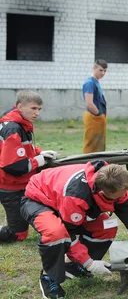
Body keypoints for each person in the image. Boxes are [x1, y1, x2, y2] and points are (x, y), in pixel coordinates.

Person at [21, 161, 128, 299]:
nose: (125, 197)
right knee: (57, 233)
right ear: (105, 195)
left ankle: (73, 266)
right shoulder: (77, 196)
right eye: (121, 195)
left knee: (107, 227)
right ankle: (49, 278)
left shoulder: (115, 186)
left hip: (63, 201)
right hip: (38, 200)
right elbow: (69, 234)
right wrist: (90, 264)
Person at [0, 91, 58, 243]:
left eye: (39, 109)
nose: (37, 113)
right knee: (17, 235)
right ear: (20, 107)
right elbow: (13, 165)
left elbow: (24, 149)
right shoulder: (13, 128)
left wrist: (39, 152)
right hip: (11, 188)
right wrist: (39, 161)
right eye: (33, 108)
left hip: (23, 185)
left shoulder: (21, 123)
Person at [82, 60, 108, 154]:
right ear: (94, 68)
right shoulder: (89, 83)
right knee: (91, 146)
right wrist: (98, 114)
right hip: (93, 117)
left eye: (105, 71)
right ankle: (87, 166)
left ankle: (98, 166)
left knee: (99, 146)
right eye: (100, 70)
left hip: (98, 118)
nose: (103, 73)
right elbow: (89, 103)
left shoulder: (96, 82)